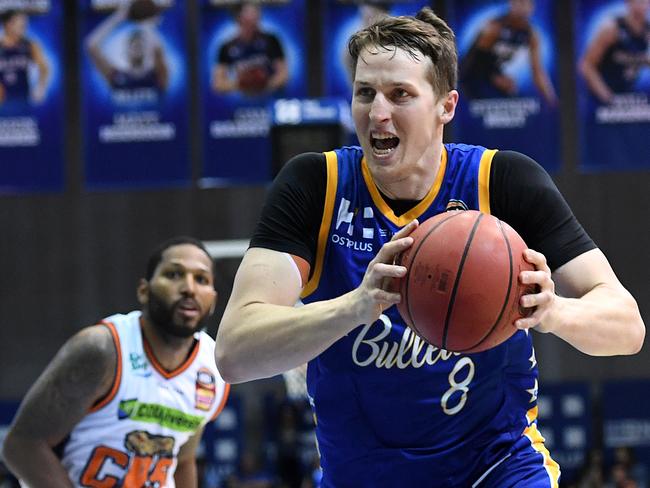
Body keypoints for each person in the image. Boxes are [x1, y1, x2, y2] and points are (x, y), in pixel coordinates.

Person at [215, 7, 645, 487]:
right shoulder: (316, 185)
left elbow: (627, 328)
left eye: (400, 94)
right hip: (363, 475)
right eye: (365, 93)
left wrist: (549, 312)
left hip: (498, 468)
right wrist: (355, 307)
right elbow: (234, 353)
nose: (378, 112)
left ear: (446, 105)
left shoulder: (502, 181)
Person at [2, 236, 230, 487]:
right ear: (144, 290)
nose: (189, 288)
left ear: (213, 301)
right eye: (174, 274)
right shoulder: (101, 349)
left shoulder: (215, 368)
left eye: (202, 279)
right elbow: (21, 446)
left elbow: (184, 459)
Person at [459, 0, 557, 104]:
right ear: (511, 5)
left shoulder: (531, 34)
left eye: (526, 4)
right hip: (470, 76)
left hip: (492, 74)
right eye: (519, 3)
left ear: (532, 8)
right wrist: (495, 78)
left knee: (515, 96)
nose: (522, 8)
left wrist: (552, 100)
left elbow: (538, 72)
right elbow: (476, 61)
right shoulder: (494, 27)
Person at [85, 0, 169, 96]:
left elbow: (159, 50)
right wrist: (119, 16)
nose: (137, 47)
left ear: (149, 50)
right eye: (134, 45)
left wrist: (148, 24)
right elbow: (91, 44)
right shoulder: (116, 76)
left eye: (141, 45)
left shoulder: (158, 76)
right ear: (126, 51)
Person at [578, 0, 650, 104]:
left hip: (628, 98)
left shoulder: (647, 31)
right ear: (628, 2)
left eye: (644, 1)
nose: (641, 5)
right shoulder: (612, 28)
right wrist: (607, 97)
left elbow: (638, 59)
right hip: (603, 98)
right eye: (636, 1)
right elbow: (586, 65)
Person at [212, 2, 288, 96]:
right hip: (240, 104)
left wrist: (263, 84)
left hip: (269, 100)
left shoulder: (271, 40)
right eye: (250, 12)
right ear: (239, 17)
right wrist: (242, 84)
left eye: (256, 12)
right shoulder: (226, 47)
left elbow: (283, 75)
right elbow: (218, 83)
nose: (255, 16)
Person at [0, 9, 49, 105]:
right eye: (20, 24)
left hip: (23, 99)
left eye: (24, 24)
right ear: (8, 24)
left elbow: (44, 68)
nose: (23, 27)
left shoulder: (29, 45)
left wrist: (40, 88)